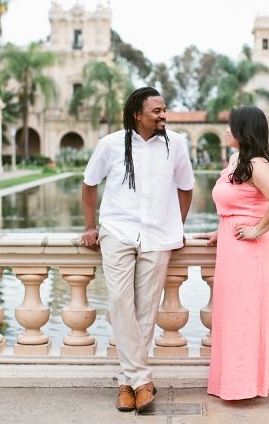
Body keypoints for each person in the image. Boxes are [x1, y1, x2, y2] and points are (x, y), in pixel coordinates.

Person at [81, 87, 195, 412]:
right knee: (119, 300)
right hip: (117, 230)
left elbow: (186, 188)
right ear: (137, 114)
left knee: (146, 310)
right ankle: (141, 378)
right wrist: (90, 228)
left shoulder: (178, 145)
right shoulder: (111, 144)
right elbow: (90, 183)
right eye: (156, 111)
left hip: (159, 235)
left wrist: (178, 226)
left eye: (164, 109)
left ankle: (126, 383)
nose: (163, 115)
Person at [194, 106, 269, 400]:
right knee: (232, 315)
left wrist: (257, 230)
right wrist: (219, 231)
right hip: (233, 247)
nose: (226, 130)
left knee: (245, 315)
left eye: (231, 125)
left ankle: (245, 385)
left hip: (251, 251)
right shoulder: (238, 160)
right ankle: (233, 382)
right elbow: (237, 204)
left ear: (244, 130)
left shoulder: (257, 165)